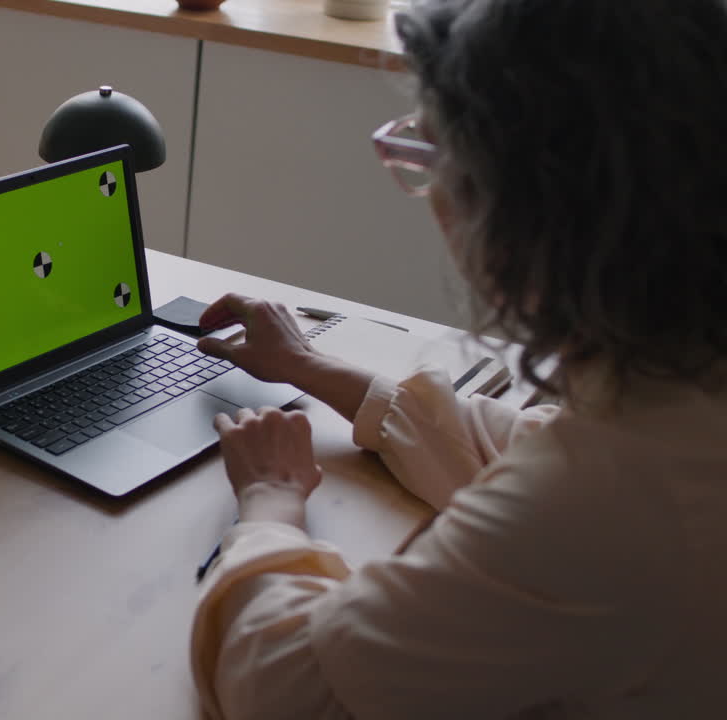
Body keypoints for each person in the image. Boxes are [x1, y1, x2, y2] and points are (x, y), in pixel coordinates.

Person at [188, 0, 727, 718]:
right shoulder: (682, 390)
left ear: (526, 217)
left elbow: (290, 686)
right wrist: (314, 368)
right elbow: (538, 447)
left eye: (430, 155)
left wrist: (269, 508)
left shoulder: (605, 505)